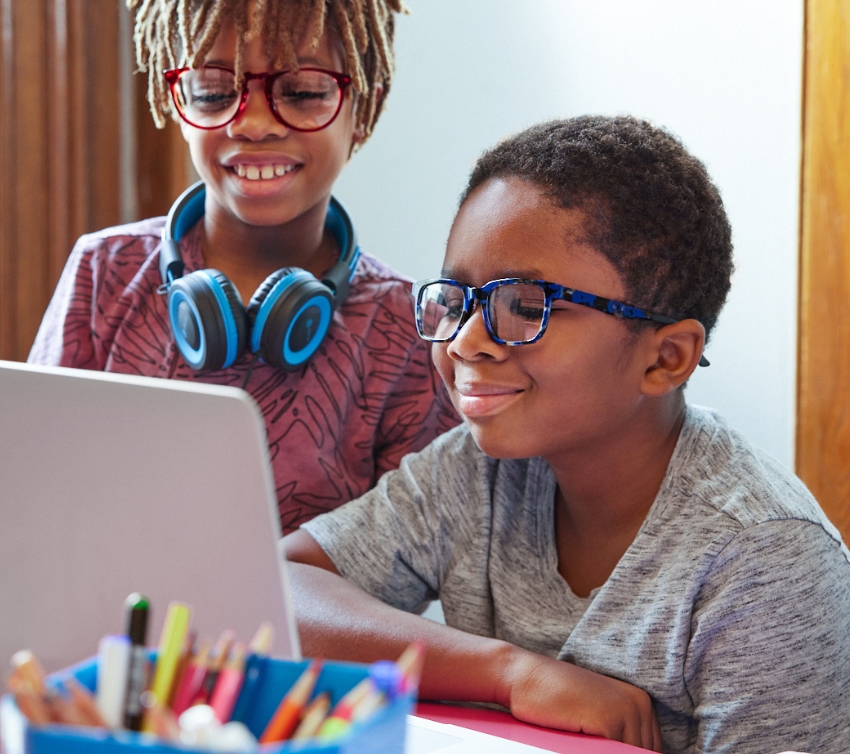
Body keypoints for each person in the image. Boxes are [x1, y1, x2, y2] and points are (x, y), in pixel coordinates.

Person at [285, 116, 850, 753]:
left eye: (526, 308)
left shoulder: (765, 559)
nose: (467, 340)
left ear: (666, 358)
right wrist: (508, 671)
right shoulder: (475, 471)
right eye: (459, 298)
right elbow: (277, 588)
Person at [27, 0, 458, 532]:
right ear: (177, 105)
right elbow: (30, 491)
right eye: (213, 91)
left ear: (360, 108)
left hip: (303, 635)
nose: (253, 122)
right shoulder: (103, 275)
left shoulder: (401, 331)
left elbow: (406, 569)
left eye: (304, 92)